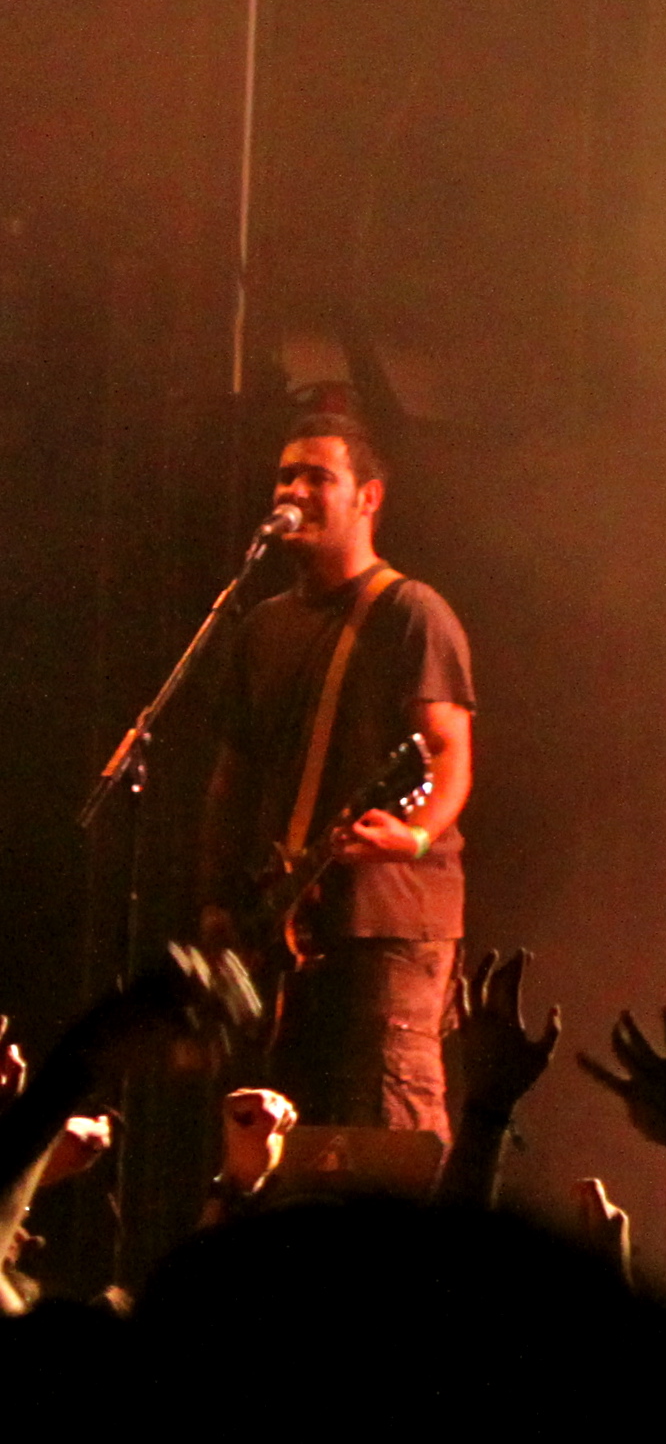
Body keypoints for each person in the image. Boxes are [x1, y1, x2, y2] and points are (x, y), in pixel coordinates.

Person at [199, 416, 477, 1137]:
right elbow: (235, 774)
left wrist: (414, 838)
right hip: (290, 926)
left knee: (387, 1127)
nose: (293, 491)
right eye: (285, 476)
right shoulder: (261, 627)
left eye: (318, 477)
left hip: (386, 923)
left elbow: (446, 750)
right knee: (288, 1135)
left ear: (368, 498)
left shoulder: (411, 612)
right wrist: (220, 899)